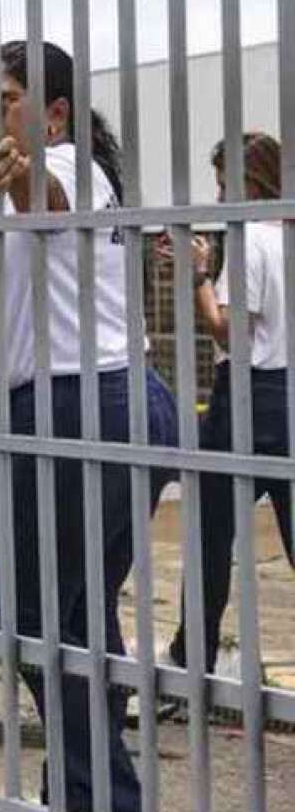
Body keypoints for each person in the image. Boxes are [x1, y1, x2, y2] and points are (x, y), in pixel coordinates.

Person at [0, 39, 178, 812]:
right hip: (89, 403)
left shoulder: (71, 168)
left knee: (29, 608)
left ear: (55, 113)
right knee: (77, 613)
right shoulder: (20, 201)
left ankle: (103, 802)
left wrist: (22, 173)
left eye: (9, 95)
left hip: (82, 408)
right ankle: (85, 800)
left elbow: (49, 198)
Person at [164, 133, 289, 686]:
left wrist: (197, 277)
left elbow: (228, 331)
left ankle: (195, 657)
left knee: (212, 533)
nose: (218, 195)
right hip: (288, 393)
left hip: (245, 395)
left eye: (222, 182)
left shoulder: (249, 239)